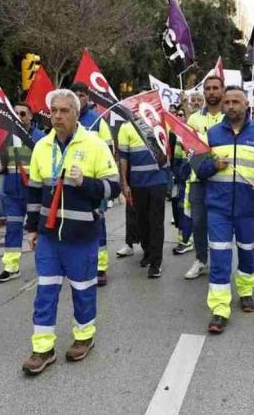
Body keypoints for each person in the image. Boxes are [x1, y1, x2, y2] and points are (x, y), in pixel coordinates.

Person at [21, 89, 120, 375]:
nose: (57, 116)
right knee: (45, 291)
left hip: (82, 235)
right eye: (53, 110)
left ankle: (84, 336)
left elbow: (113, 187)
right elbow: (35, 192)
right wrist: (31, 228)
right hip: (49, 236)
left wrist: (85, 182)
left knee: (83, 290)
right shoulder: (42, 146)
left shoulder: (95, 145)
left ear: (76, 113)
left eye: (64, 111)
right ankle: (42, 348)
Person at [197, 85, 254, 333]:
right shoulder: (211, 134)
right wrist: (213, 166)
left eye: (236, 102)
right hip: (219, 208)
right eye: (227, 102)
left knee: (247, 251)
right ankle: (220, 308)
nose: (231, 106)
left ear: (247, 105)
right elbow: (198, 169)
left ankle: (245, 291)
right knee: (220, 257)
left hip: (250, 208)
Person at [0, 102, 45, 283]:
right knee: (13, 229)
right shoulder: (7, 137)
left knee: (38, 229)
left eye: (23, 114)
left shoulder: (40, 138)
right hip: (13, 193)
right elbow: (3, 164)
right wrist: (0, 166)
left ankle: (45, 265)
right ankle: (11, 267)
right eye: (15, 114)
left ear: (30, 116)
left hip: (33, 193)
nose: (19, 117)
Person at [71, 82, 114, 286]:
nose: (79, 98)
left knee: (97, 224)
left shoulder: (97, 120)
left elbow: (108, 151)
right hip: (71, 183)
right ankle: (79, 262)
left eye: (82, 95)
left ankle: (100, 266)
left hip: (93, 184)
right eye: (75, 95)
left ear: (88, 98)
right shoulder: (67, 120)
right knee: (74, 224)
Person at [183, 75, 226, 279]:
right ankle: (201, 259)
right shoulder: (194, 119)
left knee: (221, 223)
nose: (211, 92)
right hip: (198, 179)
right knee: (198, 222)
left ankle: (220, 261)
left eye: (215, 88)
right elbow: (189, 149)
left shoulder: (229, 117)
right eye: (208, 88)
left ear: (222, 90)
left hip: (223, 178)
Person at [118, 119, 168, 277]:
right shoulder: (126, 127)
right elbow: (123, 158)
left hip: (158, 181)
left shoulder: (158, 122)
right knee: (142, 222)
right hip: (138, 183)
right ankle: (148, 252)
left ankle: (156, 263)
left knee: (156, 222)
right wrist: (124, 183)